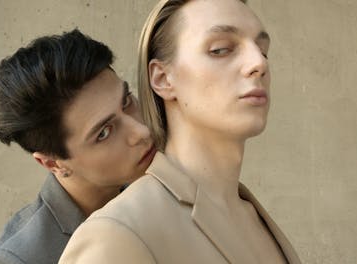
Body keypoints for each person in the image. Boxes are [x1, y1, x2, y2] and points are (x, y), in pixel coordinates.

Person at [59, 0, 301, 263]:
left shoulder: (254, 217)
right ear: (163, 79)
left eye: (263, 50)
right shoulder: (118, 234)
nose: (258, 63)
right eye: (221, 50)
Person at [0, 29, 155, 264]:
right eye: (104, 133)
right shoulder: (18, 259)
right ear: (52, 163)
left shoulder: (161, 177)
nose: (142, 132)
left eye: (127, 101)